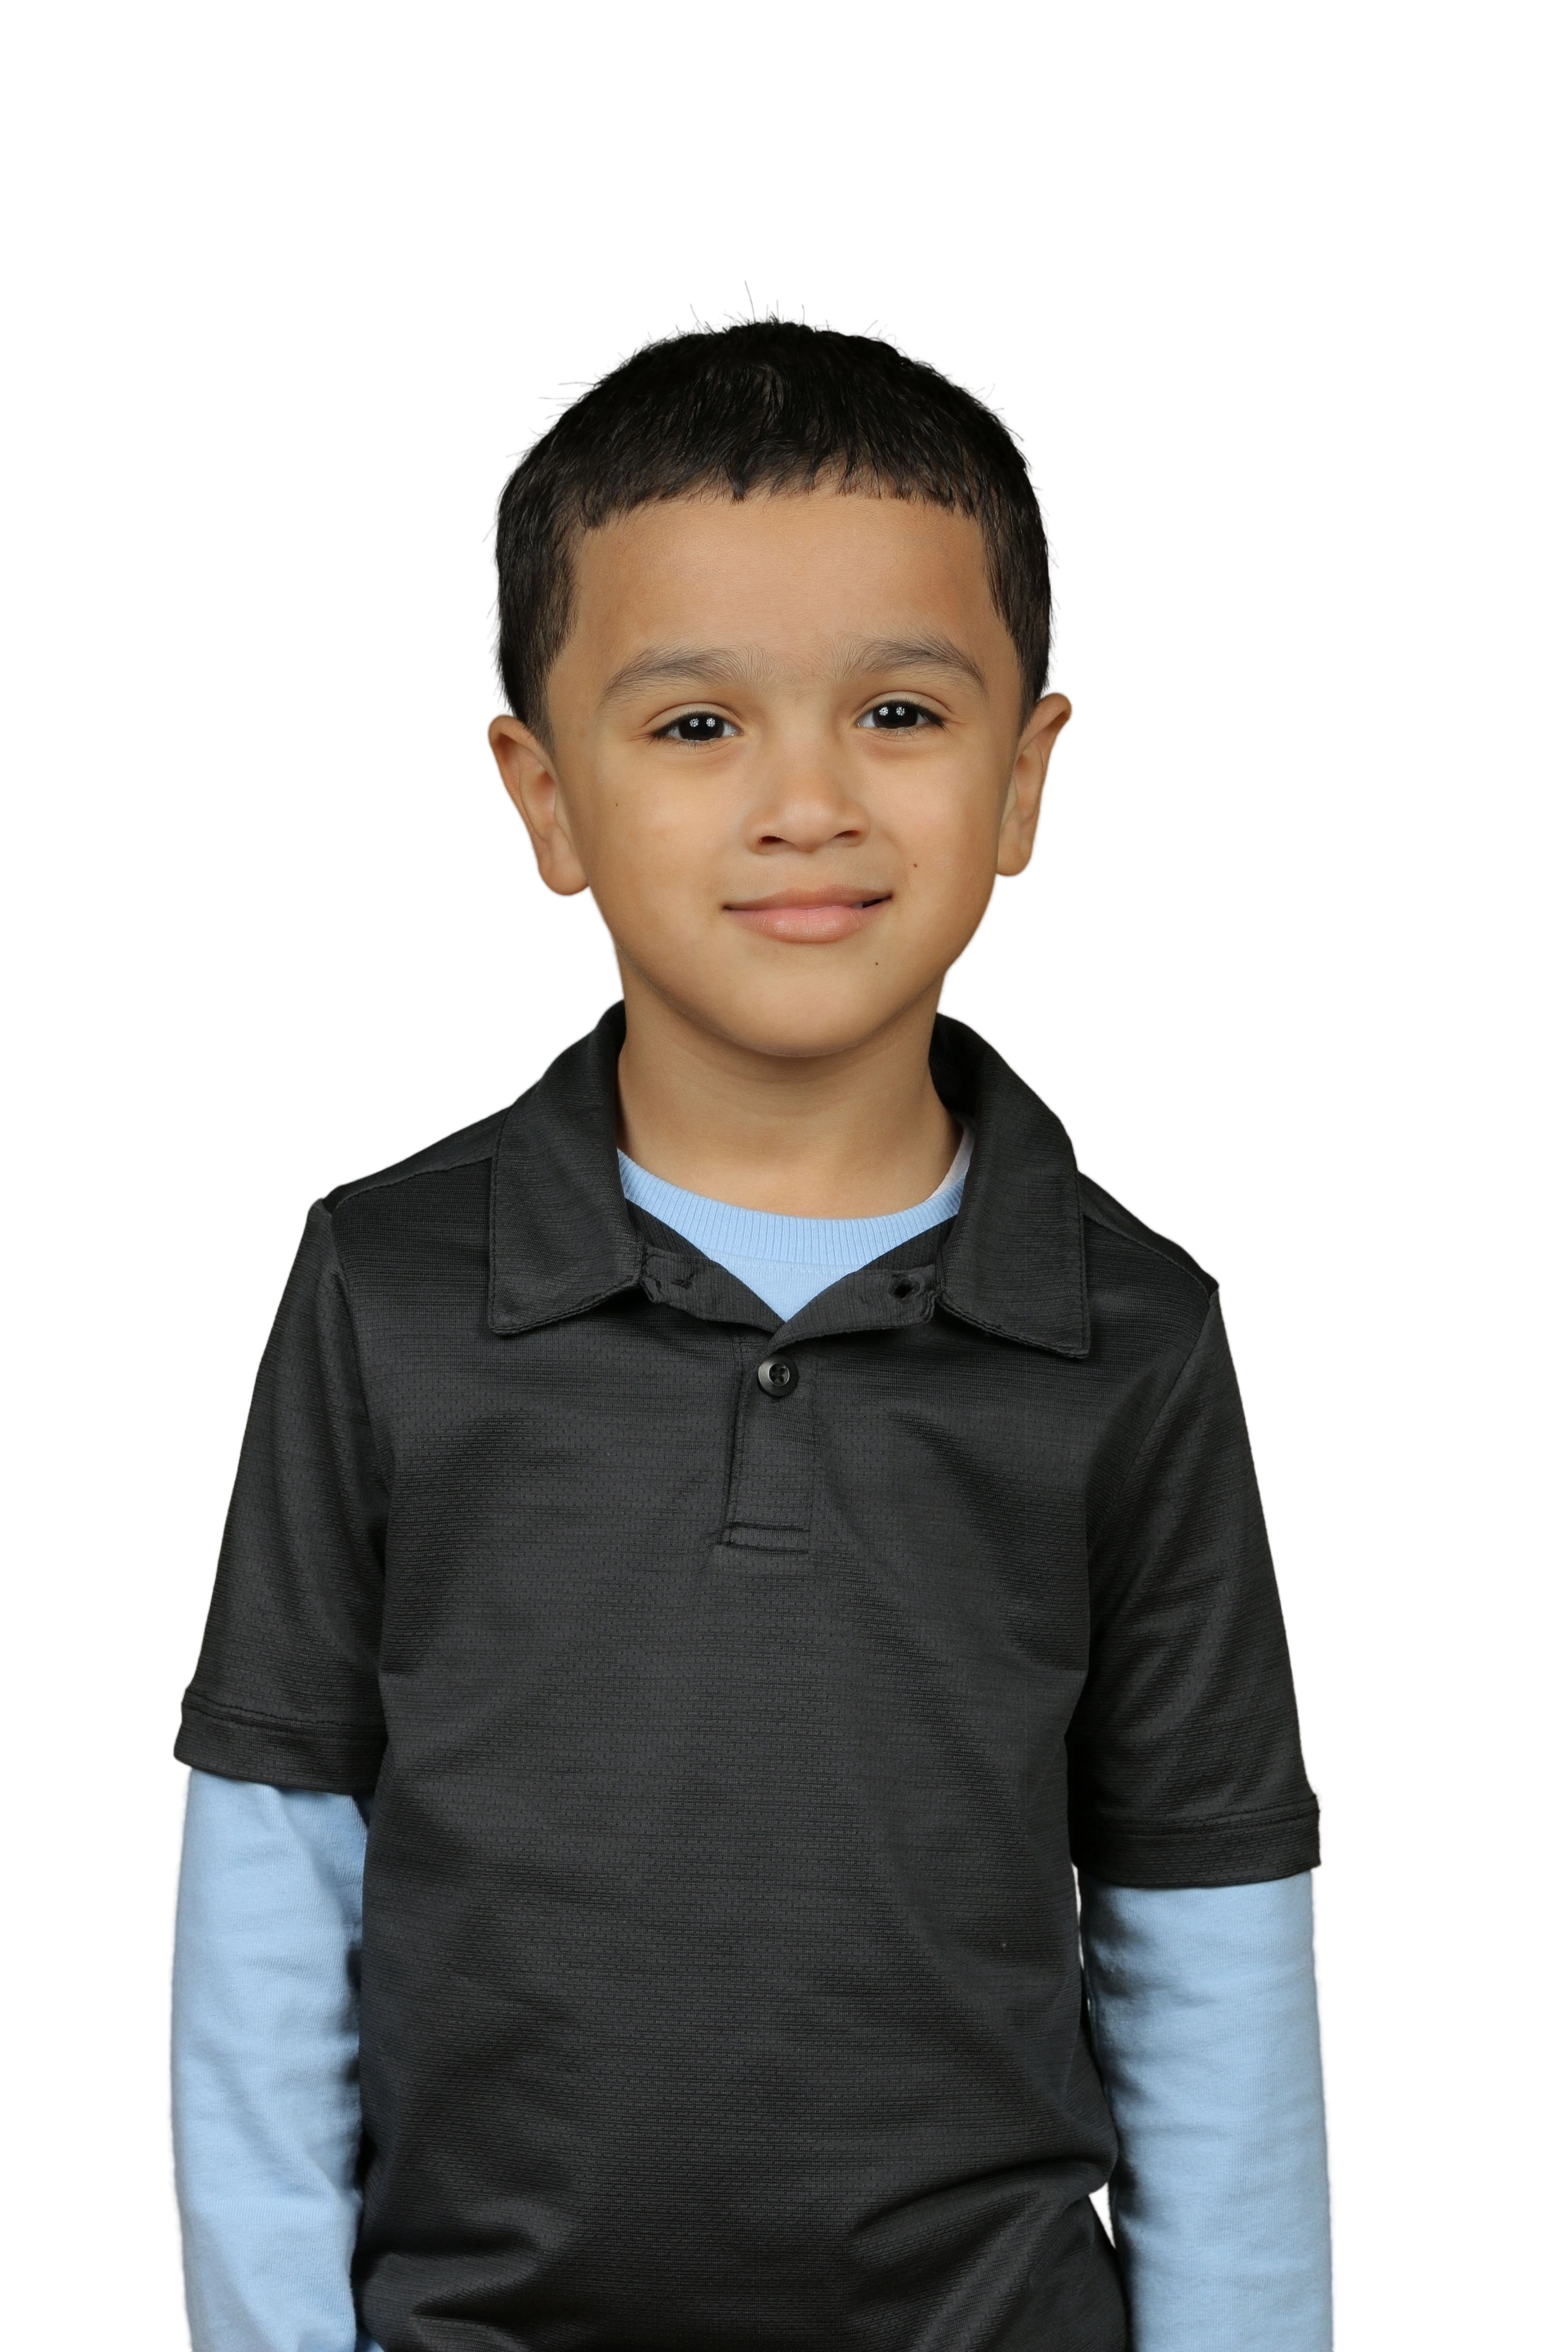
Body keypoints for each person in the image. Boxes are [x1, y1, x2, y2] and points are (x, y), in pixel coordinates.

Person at [165, 301, 1337, 2352]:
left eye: (898, 710)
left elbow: (1209, 1945)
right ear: (546, 796)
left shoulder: (1134, 1334)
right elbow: (272, 1895)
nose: (809, 801)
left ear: (1028, 774)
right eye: (698, 726)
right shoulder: (385, 1285)